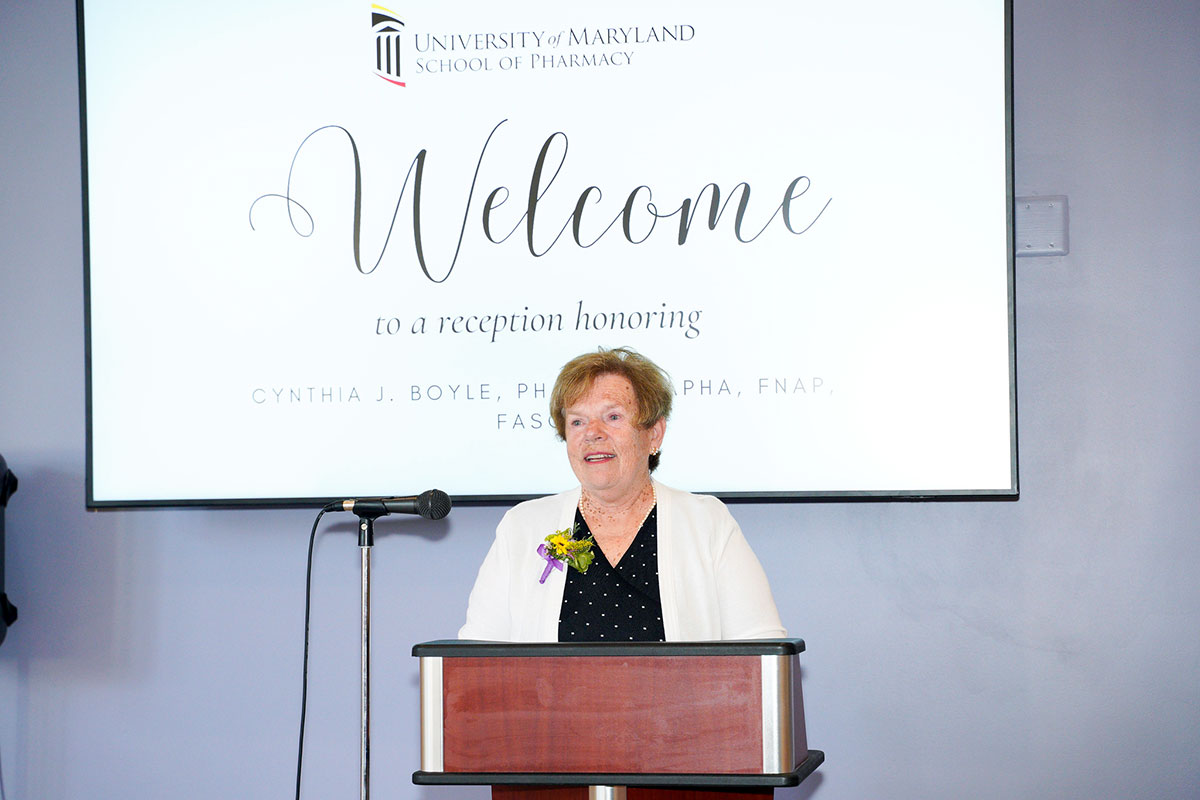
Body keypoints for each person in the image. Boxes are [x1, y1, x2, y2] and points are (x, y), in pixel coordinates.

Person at [459, 347, 785, 642]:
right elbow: (476, 657)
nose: (592, 433)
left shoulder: (706, 523)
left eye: (612, 417)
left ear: (654, 433)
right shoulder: (522, 526)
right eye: (577, 422)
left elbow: (761, 649)